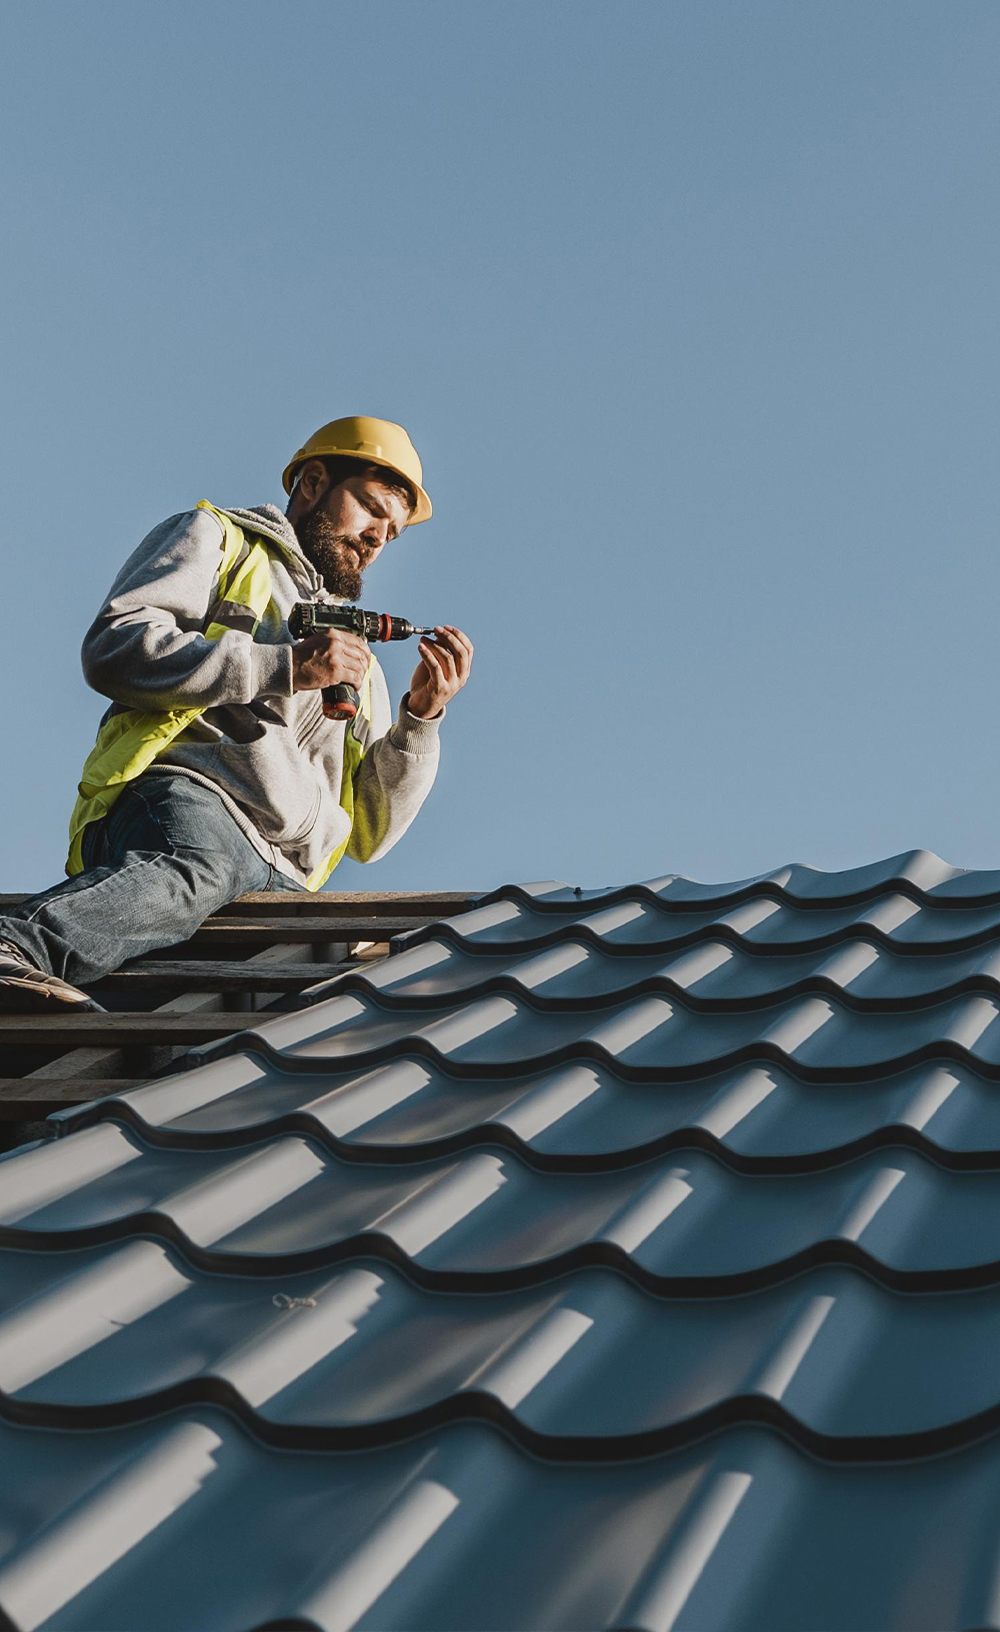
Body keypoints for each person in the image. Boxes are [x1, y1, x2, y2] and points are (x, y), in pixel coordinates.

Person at [0, 415, 473, 1011]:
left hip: (281, 878)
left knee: (195, 1036)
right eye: (371, 509)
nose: (379, 536)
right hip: (193, 803)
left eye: (393, 531)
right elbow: (115, 650)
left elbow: (371, 835)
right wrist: (284, 667)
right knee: (196, 868)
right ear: (312, 483)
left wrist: (421, 721)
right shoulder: (218, 540)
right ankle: (18, 945)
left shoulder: (360, 665)